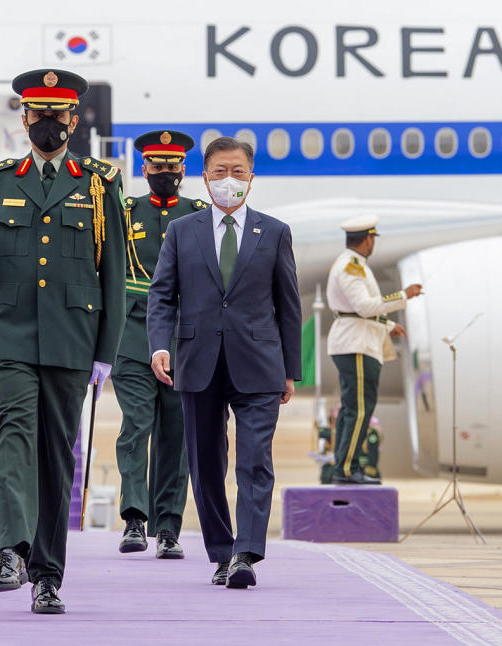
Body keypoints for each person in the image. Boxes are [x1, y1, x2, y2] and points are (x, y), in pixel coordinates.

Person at [0, 69, 126, 614]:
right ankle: (9, 550)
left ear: (74, 120)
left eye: (58, 114)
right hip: (9, 335)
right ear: (23, 118)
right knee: (13, 434)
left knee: (56, 456)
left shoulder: (99, 183)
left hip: (72, 339)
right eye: (37, 113)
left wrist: (106, 353)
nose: (47, 123)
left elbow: (115, 275)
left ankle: (48, 575)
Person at [146, 136, 301, 589]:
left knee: (255, 461)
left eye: (237, 172)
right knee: (206, 463)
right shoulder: (182, 230)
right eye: (219, 172)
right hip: (197, 362)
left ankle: (246, 554)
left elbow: (288, 304)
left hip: (259, 364)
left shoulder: (274, 232)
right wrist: (159, 345)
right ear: (205, 177)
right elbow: (161, 295)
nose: (228, 180)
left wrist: (291, 369)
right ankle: (220, 550)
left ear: (251, 179)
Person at [114, 130, 208, 558]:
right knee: (135, 427)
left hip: (183, 334)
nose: (165, 173)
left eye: (172, 167)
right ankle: (135, 519)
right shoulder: (124, 211)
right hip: (132, 332)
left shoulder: (199, 214)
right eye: (157, 166)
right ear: (144, 169)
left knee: (177, 433)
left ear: (183, 170)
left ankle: (168, 527)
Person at [325, 215, 422, 485]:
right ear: (368, 239)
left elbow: (359, 309)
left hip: (358, 340)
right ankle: (347, 469)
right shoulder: (352, 267)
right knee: (358, 409)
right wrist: (403, 296)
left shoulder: (356, 265)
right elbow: (365, 307)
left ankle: (346, 466)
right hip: (355, 344)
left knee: (354, 409)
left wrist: (388, 324)